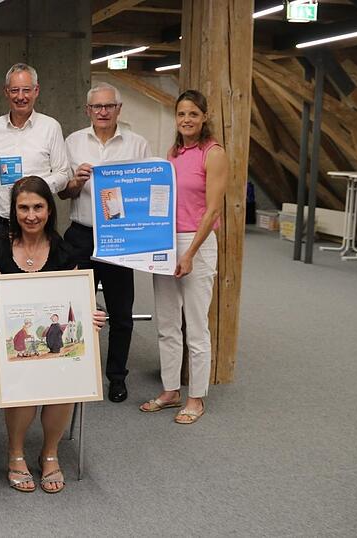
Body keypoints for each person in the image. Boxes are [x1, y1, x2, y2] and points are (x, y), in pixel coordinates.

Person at [0, 177, 106, 494]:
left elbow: (77, 303)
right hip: (5, 346)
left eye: (38, 207)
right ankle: (16, 453)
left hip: (54, 348)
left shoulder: (66, 251)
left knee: (63, 379)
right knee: (24, 376)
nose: (31, 215)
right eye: (23, 208)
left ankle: (50, 452)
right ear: (14, 211)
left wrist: (91, 315)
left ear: (50, 210)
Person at [60, 82, 152, 403]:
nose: (102, 112)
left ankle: (116, 377)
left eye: (108, 106)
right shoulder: (72, 142)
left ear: (118, 109)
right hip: (81, 234)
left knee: (121, 313)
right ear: (88, 110)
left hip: (120, 238)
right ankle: (75, 375)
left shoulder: (138, 145)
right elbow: (64, 192)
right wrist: (76, 181)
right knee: (74, 309)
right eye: (96, 107)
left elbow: (147, 191)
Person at [140, 90, 227, 426]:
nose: (187, 120)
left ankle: (195, 398)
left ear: (204, 116)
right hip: (165, 242)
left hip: (197, 244)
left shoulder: (213, 153)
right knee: (166, 323)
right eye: (181, 114)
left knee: (196, 325)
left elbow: (213, 209)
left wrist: (189, 253)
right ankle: (171, 389)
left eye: (193, 114)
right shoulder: (173, 153)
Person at [0, 63, 69, 244]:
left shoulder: (50, 127)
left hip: (36, 222)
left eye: (26, 90)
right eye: (14, 90)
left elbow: (63, 174)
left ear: (36, 90)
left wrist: (35, 187)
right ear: (6, 92)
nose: (20, 97)